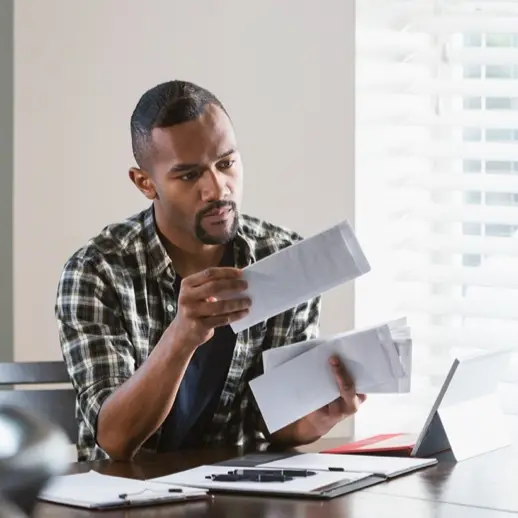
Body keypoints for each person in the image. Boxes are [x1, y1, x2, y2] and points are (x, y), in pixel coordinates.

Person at [55, 80, 366, 462]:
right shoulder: (96, 272)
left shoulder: (282, 257)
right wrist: (183, 335)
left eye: (226, 163)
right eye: (188, 175)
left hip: (240, 493)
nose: (217, 189)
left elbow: (273, 424)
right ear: (145, 183)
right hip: (124, 496)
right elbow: (116, 441)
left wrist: (316, 419)